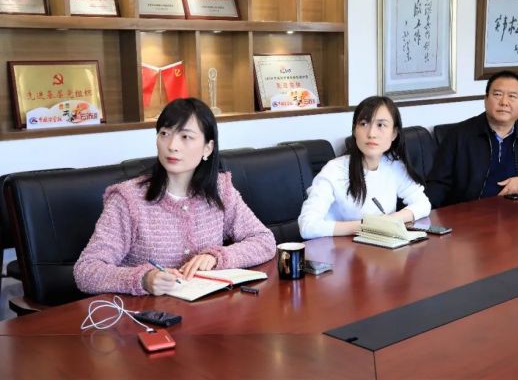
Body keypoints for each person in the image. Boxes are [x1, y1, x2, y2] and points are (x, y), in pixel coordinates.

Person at [74, 98, 276, 296]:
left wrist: (217, 257)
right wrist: (143, 279)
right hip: (148, 312)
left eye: (185, 136)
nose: (172, 145)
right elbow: (86, 271)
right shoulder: (128, 199)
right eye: (164, 134)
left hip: (206, 308)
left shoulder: (221, 190)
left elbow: (264, 241)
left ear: (207, 148)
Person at [426, 70, 518, 208]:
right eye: (498, 94)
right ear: (486, 99)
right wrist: (420, 212)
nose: (504, 102)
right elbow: (438, 184)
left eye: (512, 96)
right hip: (471, 217)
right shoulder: (458, 136)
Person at [298, 96, 431, 239]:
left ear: (394, 133)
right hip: (338, 249)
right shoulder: (334, 170)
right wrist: (369, 225)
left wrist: (390, 221)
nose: (371, 134)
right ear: (355, 130)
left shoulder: (393, 165)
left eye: (381, 125)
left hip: (379, 246)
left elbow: (423, 204)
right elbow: (307, 226)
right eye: (364, 124)